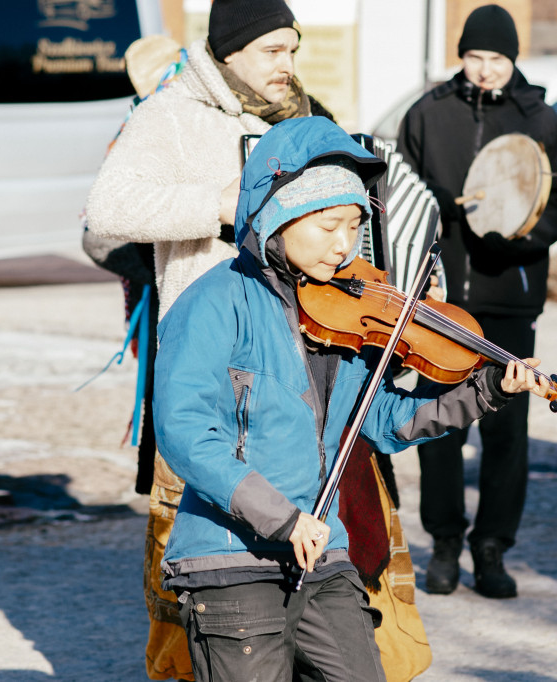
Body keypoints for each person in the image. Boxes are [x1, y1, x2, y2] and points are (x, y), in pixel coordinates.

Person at [85, 2, 432, 679]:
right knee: (216, 545)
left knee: (343, 542)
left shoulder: (307, 115)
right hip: (221, 366)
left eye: (292, 49)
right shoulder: (172, 114)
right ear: (229, 50)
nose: (287, 65)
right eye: (273, 50)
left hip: (316, 364)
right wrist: (219, 203)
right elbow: (105, 211)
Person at [153, 115, 550, 682]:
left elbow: (385, 420)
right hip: (230, 555)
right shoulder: (214, 301)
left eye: (355, 225)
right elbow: (185, 430)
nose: (344, 246)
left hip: (323, 548)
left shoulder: (343, 313)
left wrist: (484, 391)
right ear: (276, 215)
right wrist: (282, 519)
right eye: (328, 226)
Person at [396, 4, 557, 599]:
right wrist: (430, 206)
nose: (484, 69)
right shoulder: (428, 112)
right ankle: (445, 541)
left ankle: (492, 545)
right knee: (440, 423)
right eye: (475, 56)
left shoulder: (540, 118)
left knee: (505, 430)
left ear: (513, 59)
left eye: (496, 58)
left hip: (509, 295)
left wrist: (520, 238)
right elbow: (395, 194)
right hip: (439, 298)